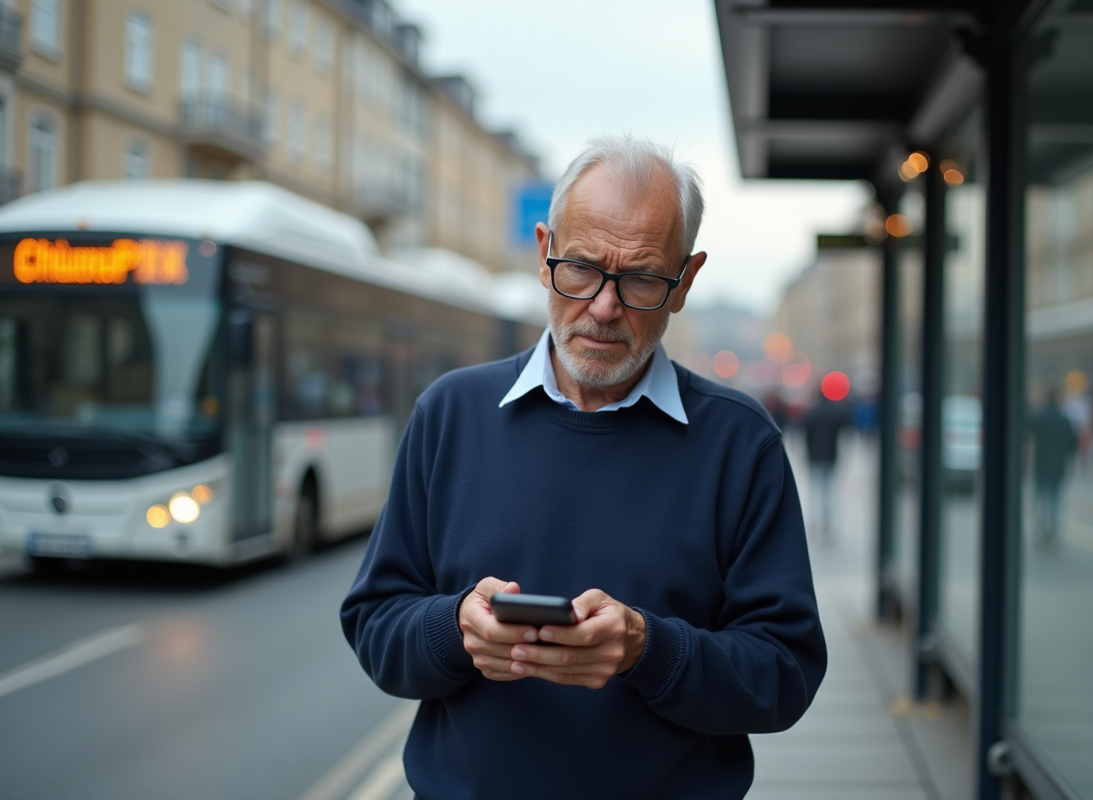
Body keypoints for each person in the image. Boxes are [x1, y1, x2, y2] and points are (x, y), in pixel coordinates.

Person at [340, 137, 827, 800]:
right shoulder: (449, 413)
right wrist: (453, 628)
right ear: (544, 255)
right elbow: (375, 623)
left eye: (642, 280)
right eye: (582, 268)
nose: (603, 305)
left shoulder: (741, 443)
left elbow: (785, 674)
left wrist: (647, 650)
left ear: (685, 282)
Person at [1025, 388, 1077, 548]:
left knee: (1040, 498)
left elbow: (1026, 430)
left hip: (1041, 464)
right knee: (1055, 499)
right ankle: (1053, 529)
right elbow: (1073, 444)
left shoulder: (1039, 417)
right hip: (1058, 465)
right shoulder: (1064, 419)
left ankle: (1039, 528)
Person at [802, 384, 854, 538]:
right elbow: (847, 424)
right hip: (831, 455)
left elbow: (806, 436)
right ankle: (826, 521)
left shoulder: (812, 412)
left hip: (814, 455)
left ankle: (815, 520)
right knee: (828, 489)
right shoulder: (835, 412)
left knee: (815, 489)